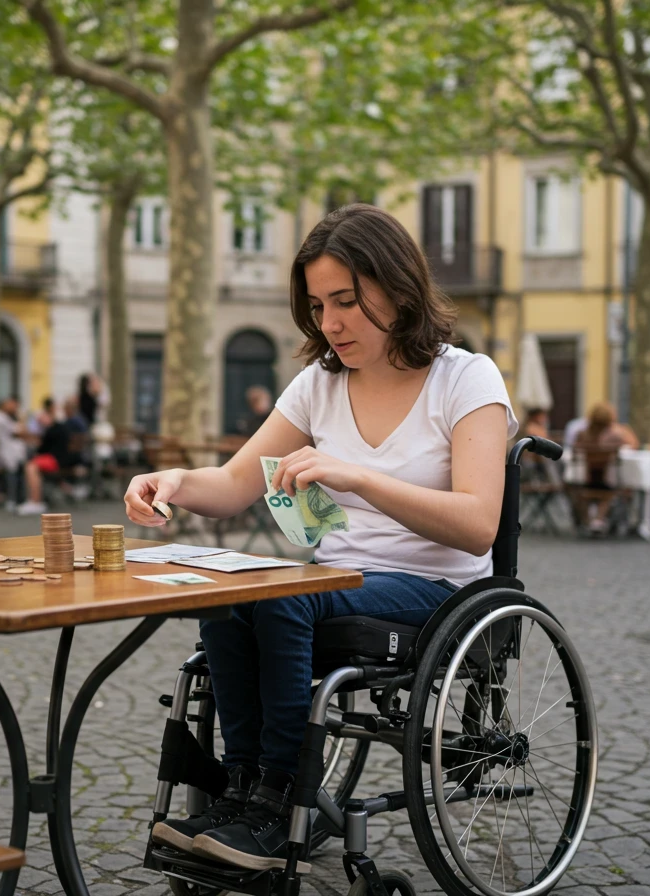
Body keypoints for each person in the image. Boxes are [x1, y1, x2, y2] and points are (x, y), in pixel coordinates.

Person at [125, 204, 516, 872]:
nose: (330, 324)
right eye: (316, 305)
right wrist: (173, 481)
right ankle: (238, 791)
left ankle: (279, 804)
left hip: (439, 589)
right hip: (336, 582)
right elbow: (233, 482)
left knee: (285, 598)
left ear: (397, 288)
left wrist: (359, 477)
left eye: (346, 301)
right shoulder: (319, 384)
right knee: (232, 587)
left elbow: (478, 522)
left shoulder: (464, 378)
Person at [572, 403, 638, 534]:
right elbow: (633, 444)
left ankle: (587, 519)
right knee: (614, 487)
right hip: (608, 483)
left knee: (578, 490)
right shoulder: (615, 436)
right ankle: (599, 518)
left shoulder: (582, 434)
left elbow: (574, 451)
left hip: (585, 481)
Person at [16, 399, 87, 515]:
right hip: (63, 460)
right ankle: (66, 489)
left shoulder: (54, 429)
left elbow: (42, 449)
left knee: (31, 466)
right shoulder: (61, 427)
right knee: (32, 464)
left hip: (57, 460)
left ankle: (35, 501)